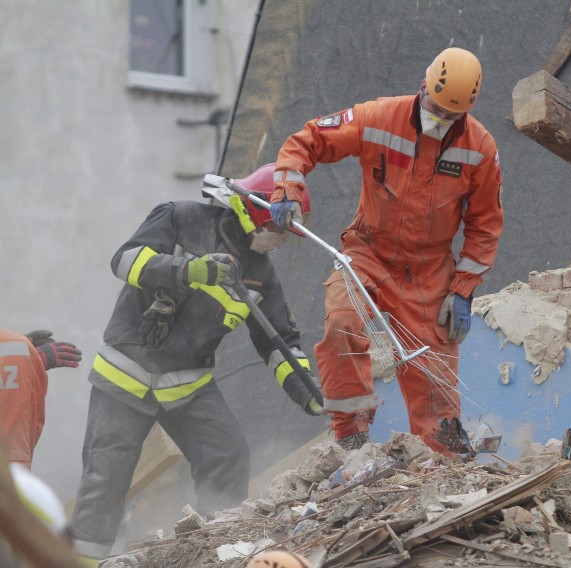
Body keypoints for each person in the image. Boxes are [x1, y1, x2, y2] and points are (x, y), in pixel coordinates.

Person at [70, 164, 322, 564]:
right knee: (107, 476)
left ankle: (216, 551)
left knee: (229, 455)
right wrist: (185, 271)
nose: (281, 242)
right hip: (126, 371)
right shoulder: (181, 217)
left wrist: (304, 389)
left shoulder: (261, 276)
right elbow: (124, 260)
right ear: (257, 212)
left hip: (187, 382)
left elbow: (280, 341)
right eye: (280, 230)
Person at [268, 47, 504, 453]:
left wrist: (463, 287)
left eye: (451, 116)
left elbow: (485, 223)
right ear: (423, 86)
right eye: (435, 107)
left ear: (465, 112)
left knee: (434, 381)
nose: (440, 119)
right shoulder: (378, 118)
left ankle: (445, 464)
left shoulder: (480, 149)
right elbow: (310, 139)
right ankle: (351, 435)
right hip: (367, 253)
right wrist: (288, 186)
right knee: (341, 321)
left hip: (430, 274)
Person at [0, 328, 81, 470]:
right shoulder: (18, 347)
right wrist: (28, 358)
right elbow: (34, 423)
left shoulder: (17, 346)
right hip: (15, 469)